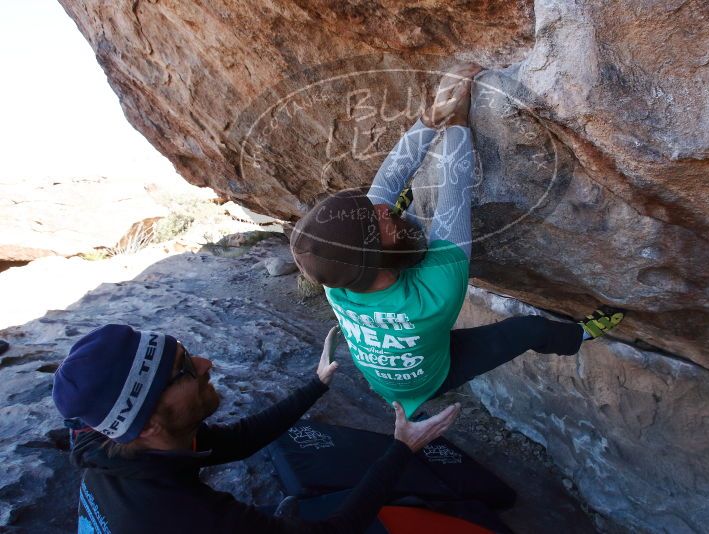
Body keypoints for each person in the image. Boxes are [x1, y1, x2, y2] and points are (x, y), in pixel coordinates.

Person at [290, 63, 624, 418]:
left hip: (388, 366)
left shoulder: (334, 276)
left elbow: (387, 183)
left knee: (399, 217)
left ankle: (400, 234)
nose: (379, 209)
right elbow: (455, 190)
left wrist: (429, 118)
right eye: (378, 224)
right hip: (428, 379)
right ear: (375, 257)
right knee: (528, 330)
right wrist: (457, 120)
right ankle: (581, 335)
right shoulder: (434, 296)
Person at [52, 324, 460, 533]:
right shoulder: (180, 518)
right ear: (147, 425)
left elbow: (239, 440)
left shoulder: (117, 443)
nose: (206, 363)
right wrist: (403, 448)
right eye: (184, 370)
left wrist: (315, 386)